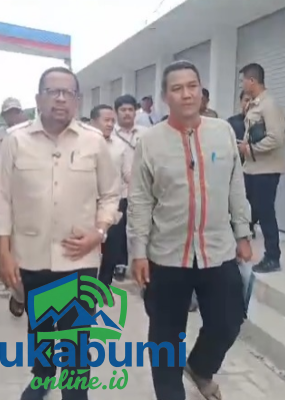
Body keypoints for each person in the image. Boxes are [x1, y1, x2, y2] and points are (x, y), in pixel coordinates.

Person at [128, 60, 252, 400]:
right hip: (167, 254)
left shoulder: (222, 132)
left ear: (201, 91)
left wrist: (242, 233)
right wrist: (138, 252)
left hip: (217, 249)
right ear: (165, 96)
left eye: (192, 86)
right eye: (177, 88)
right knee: (166, 336)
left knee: (229, 320)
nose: (186, 94)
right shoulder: (150, 142)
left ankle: (199, 366)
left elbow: (235, 185)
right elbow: (140, 199)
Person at [0, 66, 120, 400]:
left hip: (79, 258)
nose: (61, 99)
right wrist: (3, 253)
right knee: (40, 329)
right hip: (30, 257)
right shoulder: (15, 140)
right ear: (38, 98)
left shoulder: (94, 141)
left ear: (77, 100)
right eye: (53, 91)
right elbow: (3, 199)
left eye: (68, 93)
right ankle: (43, 375)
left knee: (77, 337)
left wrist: (99, 231)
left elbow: (111, 194)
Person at [238, 63, 285, 273]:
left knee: (265, 213)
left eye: (243, 80)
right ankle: (241, 248)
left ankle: (272, 257)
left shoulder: (269, 105)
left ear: (252, 81)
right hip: (252, 168)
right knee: (248, 211)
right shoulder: (255, 104)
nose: (242, 84)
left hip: (266, 170)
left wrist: (250, 149)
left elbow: (276, 138)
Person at [0, 96, 30, 318]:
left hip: (28, 199)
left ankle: (24, 293)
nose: (12, 115)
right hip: (5, 196)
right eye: (8, 112)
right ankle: (18, 293)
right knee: (10, 250)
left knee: (27, 252)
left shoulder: (30, 134)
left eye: (15, 111)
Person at [90, 104, 128, 293]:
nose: (110, 124)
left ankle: (103, 285)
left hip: (113, 202)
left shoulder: (119, 146)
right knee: (89, 247)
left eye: (113, 121)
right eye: (106, 120)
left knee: (112, 246)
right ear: (93, 122)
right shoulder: (82, 143)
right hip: (87, 203)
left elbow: (127, 174)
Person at [112, 94, 145, 281]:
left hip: (142, 189)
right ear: (116, 112)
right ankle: (120, 264)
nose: (127, 113)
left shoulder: (145, 133)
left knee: (139, 227)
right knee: (118, 231)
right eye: (123, 110)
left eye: (130, 110)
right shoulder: (109, 133)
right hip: (119, 191)